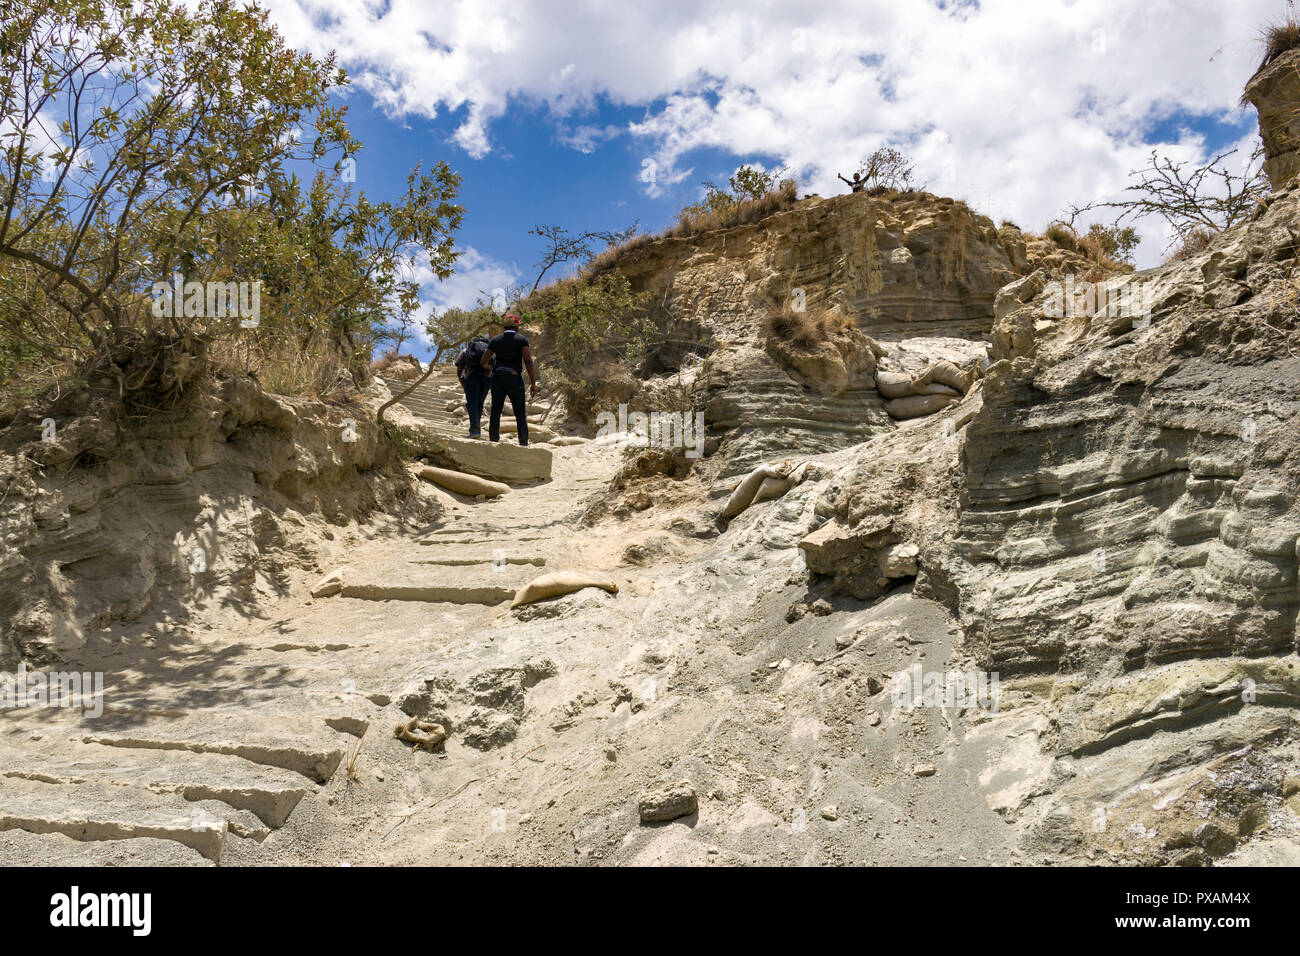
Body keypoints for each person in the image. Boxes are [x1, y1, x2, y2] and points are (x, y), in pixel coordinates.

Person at [481, 313, 537, 446]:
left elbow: (483, 361)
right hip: (514, 376)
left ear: (504, 326)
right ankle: (523, 442)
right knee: (520, 412)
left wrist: (492, 368)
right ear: (517, 326)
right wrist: (533, 383)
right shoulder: (521, 339)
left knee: (496, 410)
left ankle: (494, 440)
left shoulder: (495, 340)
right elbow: (528, 361)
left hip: (498, 377)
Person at [454, 333, 492, 437]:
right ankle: (476, 429)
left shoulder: (466, 351)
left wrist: (464, 385)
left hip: (472, 377)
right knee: (479, 404)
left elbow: (459, 371)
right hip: (487, 379)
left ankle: (475, 430)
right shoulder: (489, 351)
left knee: (472, 403)